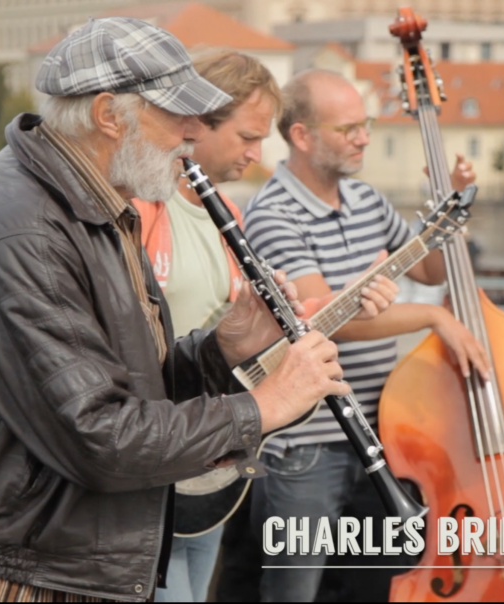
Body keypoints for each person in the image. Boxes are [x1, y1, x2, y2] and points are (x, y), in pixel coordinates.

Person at [0, 19, 394, 602]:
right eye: (178, 114)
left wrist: (223, 348)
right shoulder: (22, 229)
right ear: (109, 115)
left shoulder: (97, 205)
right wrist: (263, 407)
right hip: (7, 571)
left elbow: (130, 386)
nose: (193, 133)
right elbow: (101, 438)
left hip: (52, 553)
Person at [132, 49, 399, 603]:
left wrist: (278, 324)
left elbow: (235, 343)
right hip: (156, 451)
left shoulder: (225, 209)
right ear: (197, 124)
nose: (258, 155)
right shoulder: (141, 207)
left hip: (210, 453)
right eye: (247, 138)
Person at [233, 68, 489, 603]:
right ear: (302, 136)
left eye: (365, 124)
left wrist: (455, 209)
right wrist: (435, 318)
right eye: (348, 128)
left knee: (378, 587)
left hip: (382, 431)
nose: (365, 137)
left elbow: (430, 270)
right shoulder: (274, 214)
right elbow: (324, 318)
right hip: (308, 447)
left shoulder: (367, 199)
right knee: (293, 594)